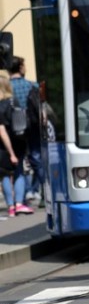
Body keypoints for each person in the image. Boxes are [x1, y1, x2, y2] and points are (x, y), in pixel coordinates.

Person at [8, 56, 43, 206]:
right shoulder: (32, 85)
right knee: (37, 159)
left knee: (18, 162)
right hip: (33, 126)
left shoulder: (6, 87)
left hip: (13, 129)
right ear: (21, 67)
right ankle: (41, 191)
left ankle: (21, 198)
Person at [0, 71, 31, 216]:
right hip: (16, 142)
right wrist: (12, 152)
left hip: (2, 146)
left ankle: (11, 206)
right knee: (19, 172)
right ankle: (19, 204)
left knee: (5, 174)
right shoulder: (13, 101)